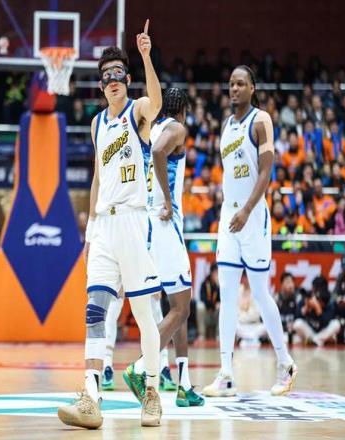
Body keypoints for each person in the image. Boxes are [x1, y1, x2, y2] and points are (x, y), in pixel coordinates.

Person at [58, 20, 163, 429]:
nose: (113, 79)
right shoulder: (97, 124)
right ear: (101, 84)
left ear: (127, 79)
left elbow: (156, 101)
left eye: (119, 73)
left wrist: (146, 56)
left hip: (134, 222)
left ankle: (151, 391)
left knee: (143, 314)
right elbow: (98, 178)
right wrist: (89, 232)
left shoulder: (138, 111)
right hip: (103, 225)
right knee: (94, 310)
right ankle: (91, 397)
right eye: (106, 75)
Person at [202, 65, 296, 398]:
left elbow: (266, 172)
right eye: (231, 84)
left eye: (241, 83)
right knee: (227, 294)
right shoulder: (226, 126)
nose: (234, 88)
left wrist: (246, 210)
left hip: (253, 217)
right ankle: (226, 373)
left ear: (252, 88)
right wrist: (232, 209)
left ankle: (285, 363)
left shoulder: (261, 120)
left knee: (259, 292)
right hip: (229, 217)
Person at [123, 87, 202, 408]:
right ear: (183, 110)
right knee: (182, 307)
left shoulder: (152, 127)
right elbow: (158, 153)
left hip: (147, 224)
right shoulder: (176, 129)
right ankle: (142, 366)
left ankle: (184, 385)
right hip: (165, 224)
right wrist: (168, 201)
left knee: (176, 304)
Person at [293, 276, 341, 346]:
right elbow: (297, 317)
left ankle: (315, 340)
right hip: (310, 332)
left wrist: (318, 308)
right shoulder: (308, 298)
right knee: (297, 324)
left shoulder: (329, 301)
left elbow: (326, 322)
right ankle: (319, 340)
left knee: (336, 324)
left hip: (323, 331)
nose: (313, 290)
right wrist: (306, 308)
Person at [198, 263, 220, 339]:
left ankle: (218, 334)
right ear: (211, 272)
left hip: (215, 313)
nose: (217, 275)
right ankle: (202, 334)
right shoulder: (204, 284)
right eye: (216, 273)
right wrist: (212, 305)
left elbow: (222, 299)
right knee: (200, 306)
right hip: (207, 311)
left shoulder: (219, 285)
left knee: (221, 307)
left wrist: (218, 286)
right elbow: (202, 298)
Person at [276, 272, 298, 343]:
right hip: (280, 330)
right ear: (282, 284)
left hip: (294, 332)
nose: (290, 285)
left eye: (292, 282)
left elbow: (301, 316)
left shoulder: (298, 297)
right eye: (288, 282)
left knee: (299, 324)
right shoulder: (276, 298)